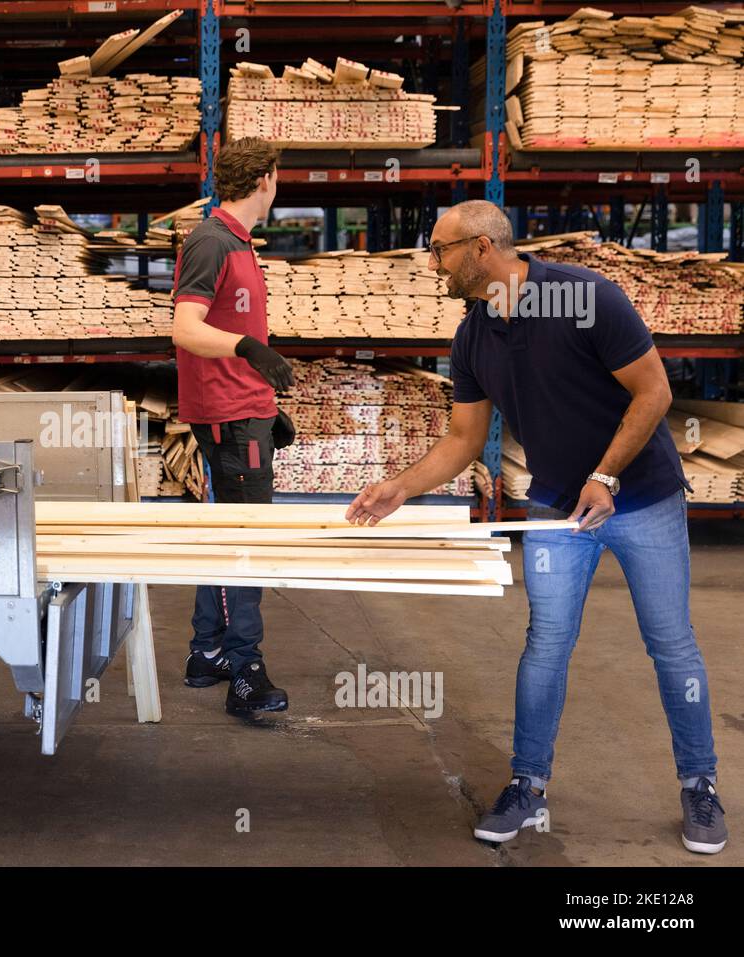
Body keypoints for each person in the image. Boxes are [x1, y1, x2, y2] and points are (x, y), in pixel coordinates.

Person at [345, 199, 726, 855]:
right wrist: (399, 488)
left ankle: (700, 784)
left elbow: (655, 392)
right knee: (546, 643)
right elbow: (464, 438)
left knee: (670, 644)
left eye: (440, 250)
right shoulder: (473, 336)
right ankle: (527, 784)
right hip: (558, 503)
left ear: (482, 249)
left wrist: (605, 475)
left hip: (641, 494)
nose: (432, 264)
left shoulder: (586, 298)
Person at [170, 136, 293, 715]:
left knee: (229, 531)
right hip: (227, 419)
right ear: (265, 179)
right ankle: (246, 671)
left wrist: (266, 407)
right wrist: (249, 351)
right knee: (246, 541)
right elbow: (186, 329)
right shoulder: (211, 242)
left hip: (245, 414)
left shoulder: (239, 243)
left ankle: (207, 653)